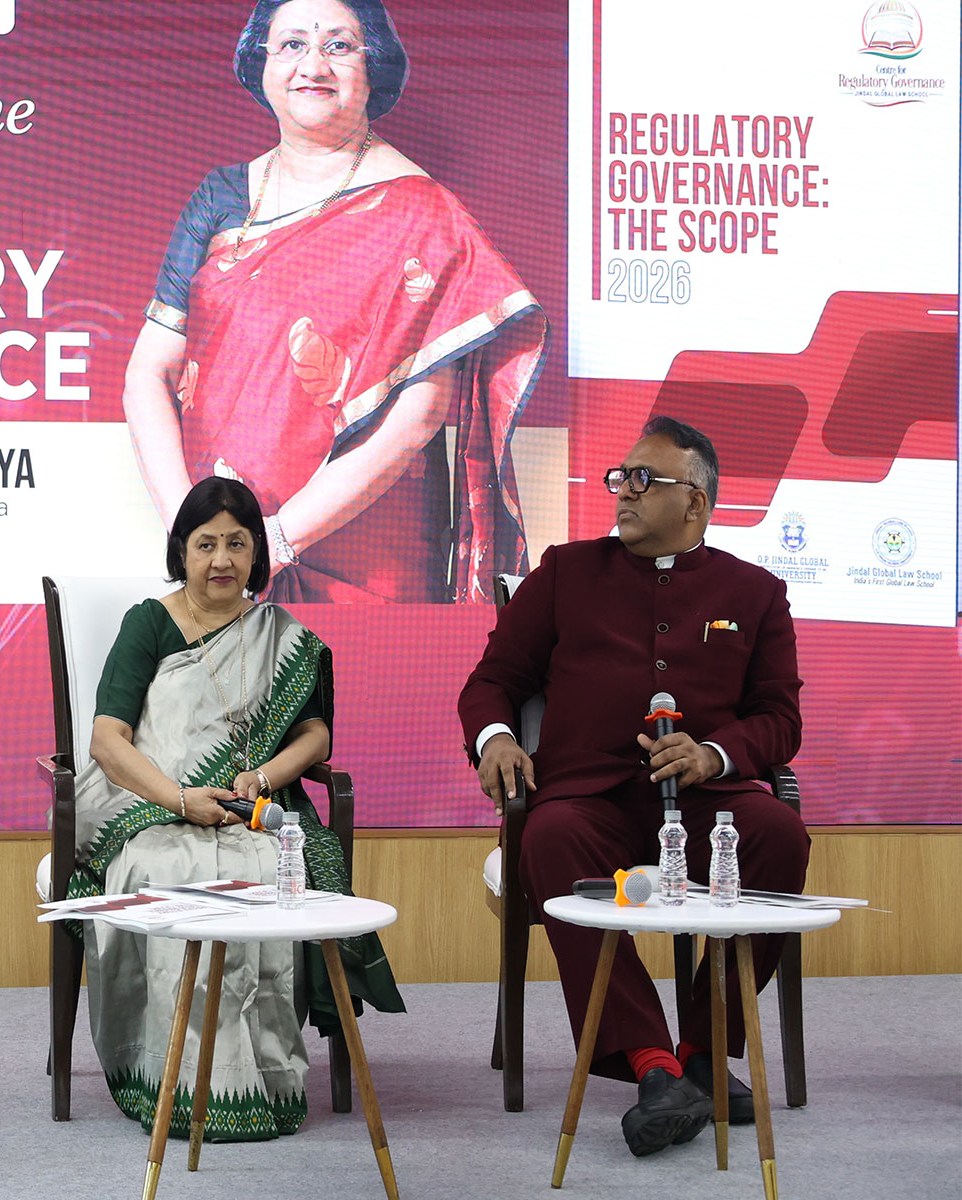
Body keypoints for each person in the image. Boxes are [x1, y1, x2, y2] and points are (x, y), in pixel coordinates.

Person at [457, 417, 810, 1157]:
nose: (622, 490)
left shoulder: (757, 592)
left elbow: (780, 720)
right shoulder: (565, 572)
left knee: (780, 833)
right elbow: (493, 683)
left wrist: (716, 754)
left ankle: (708, 1055)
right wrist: (494, 740)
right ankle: (655, 1066)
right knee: (548, 836)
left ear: (697, 504)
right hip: (589, 799)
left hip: (709, 802)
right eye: (621, 476)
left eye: (644, 480)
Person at [123, 0, 546, 604]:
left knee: (353, 696)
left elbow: (421, 412)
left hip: (366, 555)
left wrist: (279, 541)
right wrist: (187, 528)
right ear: (260, 65)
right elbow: (148, 371)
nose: (312, 64)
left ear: (375, 69)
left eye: (340, 46)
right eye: (292, 44)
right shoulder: (219, 197)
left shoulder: (423, 214)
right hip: (219, 547)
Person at [72, 477, 403, 1139]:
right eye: (205, 544)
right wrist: (179, 798)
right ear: (182, 551)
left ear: (257, 553)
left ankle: (264, 1079)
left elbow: (315, 735)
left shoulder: (283, 635)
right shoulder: (149, 623)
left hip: (253, 808)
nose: (221, 559)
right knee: (159, 878)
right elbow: (108, 740)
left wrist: (262, 776)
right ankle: (163, 1077)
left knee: (273, 876)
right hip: (156, 804)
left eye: (236, 543)